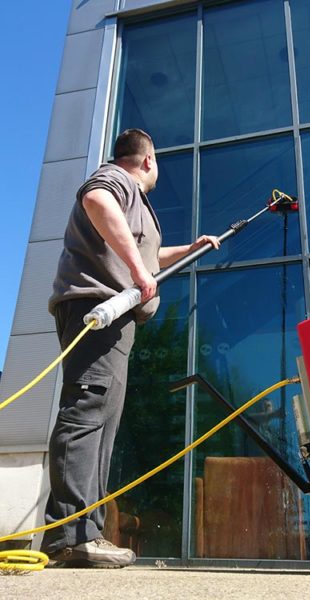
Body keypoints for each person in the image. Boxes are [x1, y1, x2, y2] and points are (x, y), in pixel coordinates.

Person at [41, 128, 220, 567]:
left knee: (103, 419)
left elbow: (145, 251)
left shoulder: (136, 206)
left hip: (117, 318)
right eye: (155, 162)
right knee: (88, 409)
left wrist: (188, 249)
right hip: (96, 307)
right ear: (147, 161)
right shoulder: (116, 180)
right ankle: (69, 535)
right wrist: (140, 273)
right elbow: (97, 202)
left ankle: (85, 533)